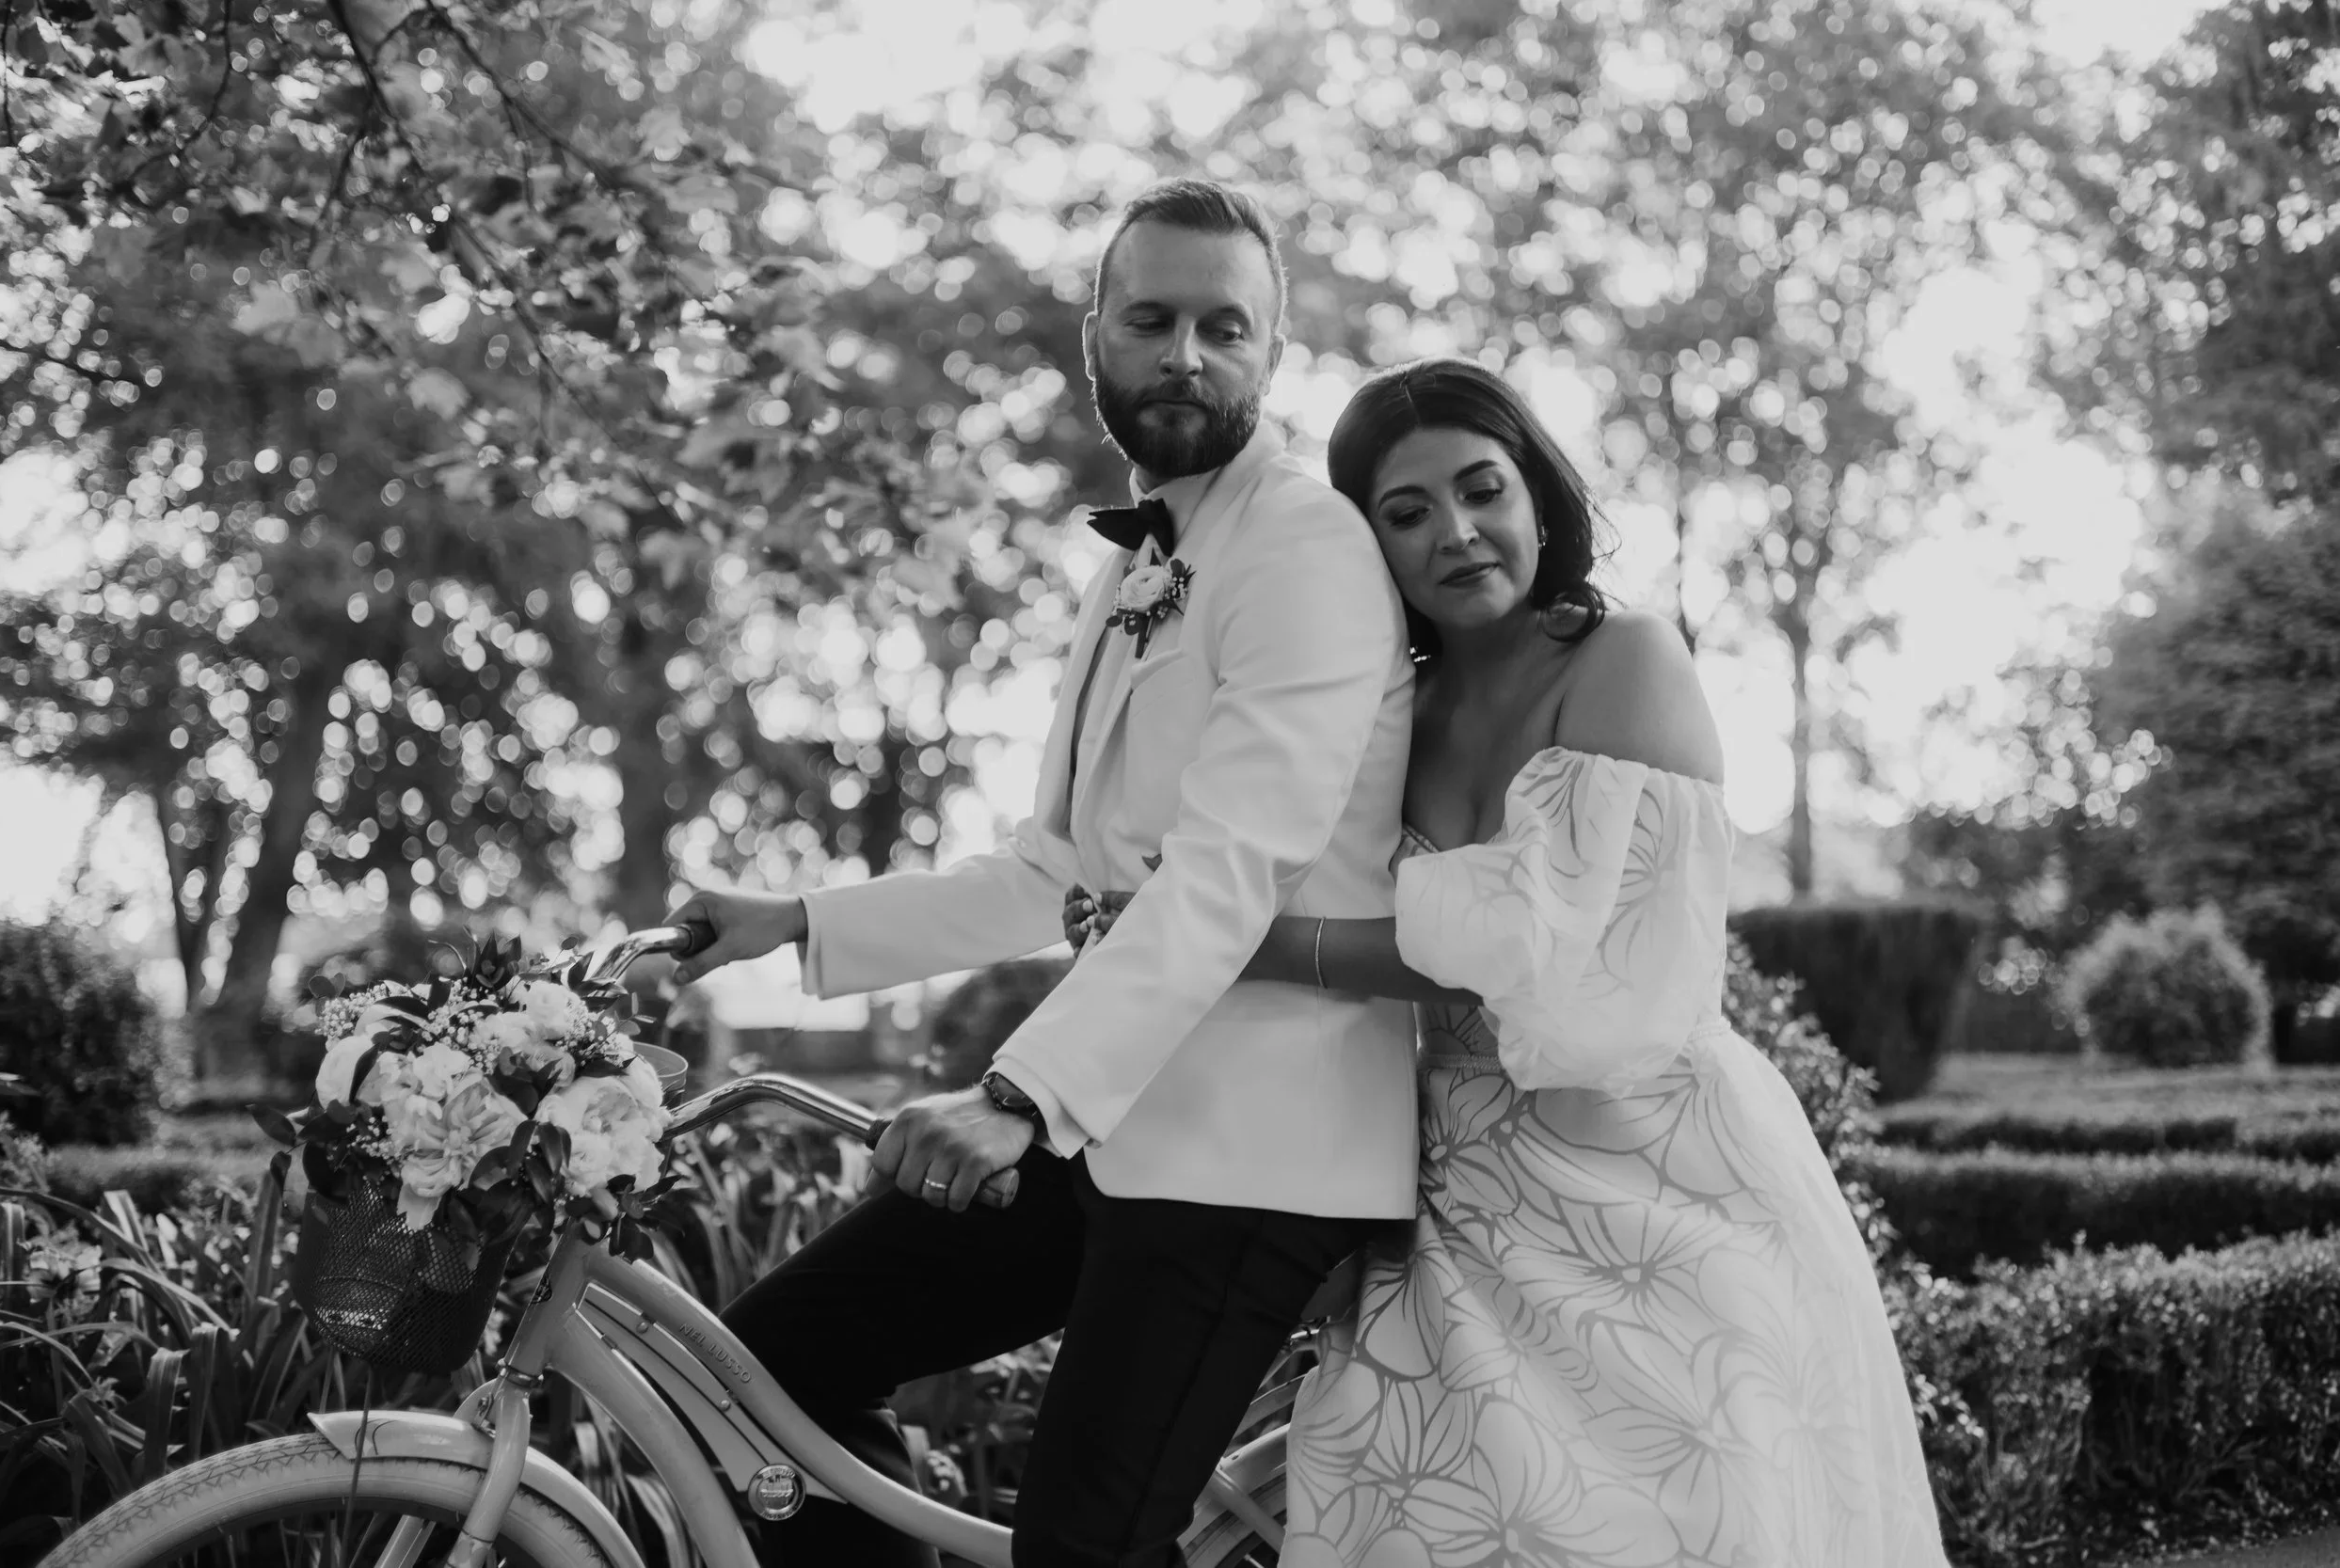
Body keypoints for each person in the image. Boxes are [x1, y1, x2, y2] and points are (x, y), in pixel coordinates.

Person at [1069, 357, 1950, 1566]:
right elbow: (1254, 835)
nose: (1458, 532)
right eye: (1406, 512)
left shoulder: (1625, 659)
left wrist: (1236, 945)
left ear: (1537, 493)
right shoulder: (1392, 708)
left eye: (1482, 489)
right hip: (1453, 1171)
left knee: (1668, 1511)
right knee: (1408, 1491)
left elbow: (1528, 954)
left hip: (1655, 1163)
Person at [665, 178, 1420, 1568]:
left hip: (1253, 1152)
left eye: (1222, 326)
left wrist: (1016, 1091)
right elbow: (1049, 869)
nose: (1184, 353)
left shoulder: (1305, 546)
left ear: (1272, 352)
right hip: (1117, 1121)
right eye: (1151, 318)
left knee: (1084, 1544)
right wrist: (786, 922)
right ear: (1096, 339)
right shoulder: (1134, 570)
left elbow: (1226, 870)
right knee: (760, 1371)